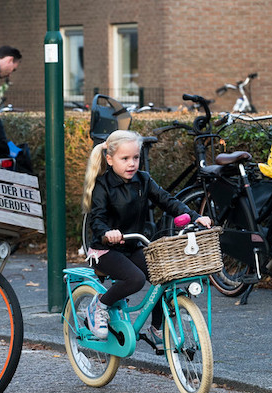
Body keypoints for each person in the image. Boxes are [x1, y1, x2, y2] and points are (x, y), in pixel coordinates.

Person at [82, 130, 212, 345]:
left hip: (133, 246)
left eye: (135, 158)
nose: (131, 164)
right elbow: (97, 220)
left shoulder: (143, 180)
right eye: (125, 159)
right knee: (135, 279)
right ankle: (100, 305)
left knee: (165, 274)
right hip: (105, 250)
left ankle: (157, 328)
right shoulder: (102, 186)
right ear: (110, 159)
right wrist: (107, 234)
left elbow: (168, 201)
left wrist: (196, 217)